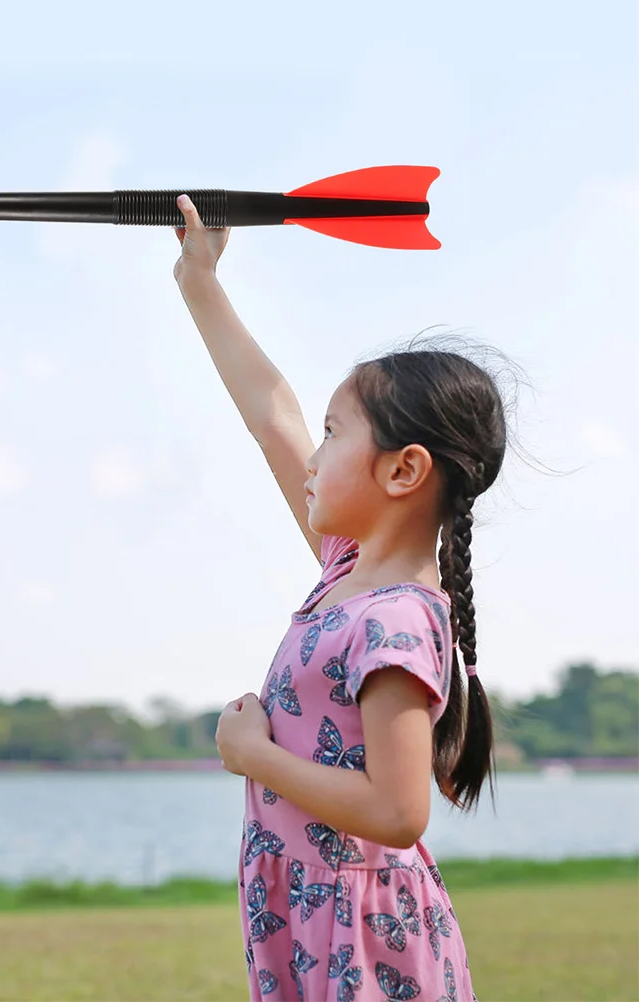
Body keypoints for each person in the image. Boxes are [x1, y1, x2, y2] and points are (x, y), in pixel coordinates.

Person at [173, 193, 505, 1001]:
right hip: (310, 921)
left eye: (334, 432)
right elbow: (269, 413)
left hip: (365, 942)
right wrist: (200, 281)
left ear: (403, 471)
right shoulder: (345, 572)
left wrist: (255, 759)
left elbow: (398, 814)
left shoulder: (394, 619)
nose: (312, 455)